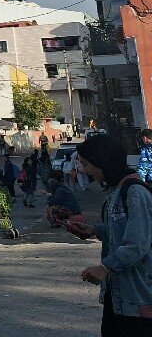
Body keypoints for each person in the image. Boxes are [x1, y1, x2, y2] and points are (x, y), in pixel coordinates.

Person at [66, 134, 152, 336]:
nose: (84, 170)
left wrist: (106, 267)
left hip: (139, 297)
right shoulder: (116, 190)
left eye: (87, 164)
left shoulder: (135, 192)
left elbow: (137, 244)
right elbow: (121, 232)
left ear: (103, 161)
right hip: (119, 295)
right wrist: (96, 230)